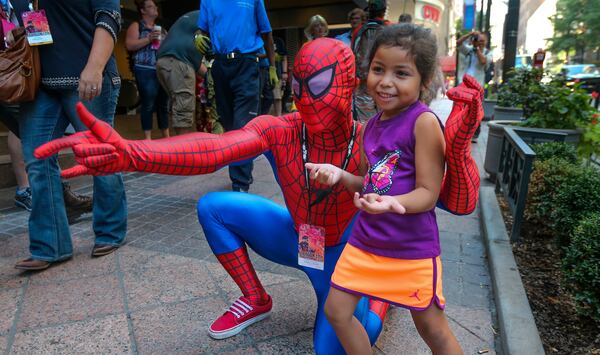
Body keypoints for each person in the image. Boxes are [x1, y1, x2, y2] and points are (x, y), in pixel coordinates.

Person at [35, 36, 483, 353]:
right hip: (298, 236)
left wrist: (458, 144)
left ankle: (381, 301)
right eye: (298, 85)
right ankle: (255, 297)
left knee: (335, 340)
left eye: (320, 85)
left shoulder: (374, 135)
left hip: (348, 251)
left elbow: (452, 200)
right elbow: (216, 148)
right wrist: (135, 153)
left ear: (346, 85)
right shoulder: (283, 128)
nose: (306, 99)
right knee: (215, 206)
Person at [307, 23, 464, 354]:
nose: (386, 81)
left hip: (412, 248)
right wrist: (338, 175)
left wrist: (393, 203)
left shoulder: (423, 123)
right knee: (336, 311)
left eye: (401, 73)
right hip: (366, 242)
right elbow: (370, 185)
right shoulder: (370, 128)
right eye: (378, 69)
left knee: (432, 329)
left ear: (423, 81)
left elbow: (427, 193)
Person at [12, 0, 126, 271]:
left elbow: (108, 17)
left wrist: (95, 67)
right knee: (37, 159)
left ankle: (110, 231)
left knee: (101, 158)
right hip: (39, 83)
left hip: (87, 77)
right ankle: (50, 246)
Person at [193, 0, 277, 193]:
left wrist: (272, 66)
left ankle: (240, 185)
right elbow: (201, 30)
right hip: (220, 65)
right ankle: (244, 171)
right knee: (230, 126)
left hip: (247, 64)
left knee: (242, 125)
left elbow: (267, 33)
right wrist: (198, 37)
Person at [125, 0, 169, 140]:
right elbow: (129, 45)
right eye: (150, 6)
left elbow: (168, 48)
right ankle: (148, 138)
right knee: (148, 102)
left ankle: (166, 137)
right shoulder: (137, 25)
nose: (155, 8)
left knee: (163, 102)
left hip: (161, 69)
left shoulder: (161, 29)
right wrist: (149, 39)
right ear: (143, 11)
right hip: (144, 68)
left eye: (155, 5)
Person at [156, 10, 203, 136]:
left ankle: (180, 145)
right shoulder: (210, 18)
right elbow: (197, 59)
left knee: (178, 107)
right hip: (178, 62)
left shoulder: (194, 16)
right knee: (183, 110)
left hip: (163, 62)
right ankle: (185, 151)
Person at [352, 0, 390, 123]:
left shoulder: (358, 31)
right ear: (384, 11)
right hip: (384, 83)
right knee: (385, 120)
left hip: (362, 84)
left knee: (365, 123)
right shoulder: (390, 29)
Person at [456, 31, 492, 142]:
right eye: (478, 40)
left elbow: (483, 61)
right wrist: (469, 34)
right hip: (465, 84)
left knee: (476, 110)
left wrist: (477, 49)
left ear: (485, 42)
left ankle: (475, 133)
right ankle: (462, 131)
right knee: (463, 108)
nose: (479, 43)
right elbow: (458, 43)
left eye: (482, 41)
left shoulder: (488, 53)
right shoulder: (469, 50)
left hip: (477, 86)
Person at [271, 36, 288, 116]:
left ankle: (278, 116)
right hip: (264, 70)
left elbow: (284, 57)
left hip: (278, 73)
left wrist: (284, 72)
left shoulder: (278, 41)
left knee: (277, 95)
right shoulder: (260, 40)